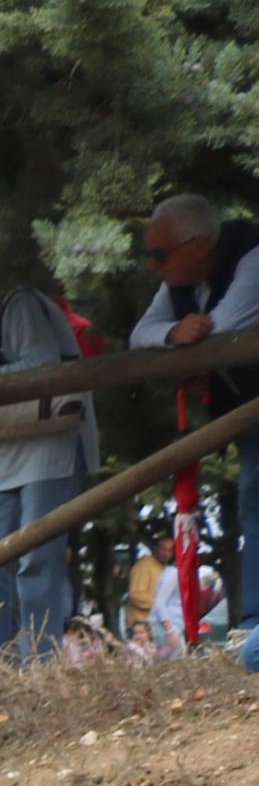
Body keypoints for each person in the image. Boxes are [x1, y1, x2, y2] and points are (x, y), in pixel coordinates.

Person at [135, 192, 259, 666]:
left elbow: (222, 331)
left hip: (250, 410)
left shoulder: (251, 255)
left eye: (160, 254)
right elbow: (141, 332)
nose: (154, 266)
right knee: (253, 508)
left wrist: (186, 337)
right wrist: (172, 333)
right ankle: (251, 627)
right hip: (249, 414)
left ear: (200, 244)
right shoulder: (181, 283)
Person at [0, 274, 101, 659]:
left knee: (37, 562)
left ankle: (38, 662)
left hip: (50, 443)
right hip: (7, 445)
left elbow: (41, 362)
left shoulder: (19, 300)